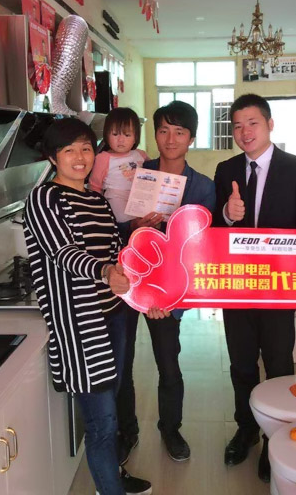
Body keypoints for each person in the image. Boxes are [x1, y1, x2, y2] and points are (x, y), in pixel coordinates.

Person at [23, 118, 152, 495]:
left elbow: (117, 254)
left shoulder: (97, 201)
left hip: (114, 316)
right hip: (80, 324)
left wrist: (149, 294)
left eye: (85, 148)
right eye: (68, 150)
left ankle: (112, 475)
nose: (79, 157)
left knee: (111, 405)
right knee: (102, 423)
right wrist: (105, 271)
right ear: (53, 157)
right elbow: (63, 252)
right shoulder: (44, 198)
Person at [213, 94, 296, 483]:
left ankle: (274, 436)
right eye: (237, 125)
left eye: (253, 123)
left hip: (278, 286)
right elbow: (214, 229)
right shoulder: (226, 169)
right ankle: (246, 429)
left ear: (270, 124)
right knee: (241, 363)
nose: (245, 132)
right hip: (237, 286)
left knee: (278, 364)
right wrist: (228, 214)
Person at [116, 101, 216, 465]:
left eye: (179, 132)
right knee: (121, 364)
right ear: (154, 135)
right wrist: (133, 225)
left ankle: (171, 428)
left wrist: (173, 299)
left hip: (166, 293)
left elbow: (200, 250)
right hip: (127, 283)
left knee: (169, 365)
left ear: (191, 138)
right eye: (163, 131)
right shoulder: (133, 175)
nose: (170, 139)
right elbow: (111, 227)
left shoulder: (203, 187)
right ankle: (127, 431)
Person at [89, 107, 148, 239]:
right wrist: (98, 209)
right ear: (106, 135)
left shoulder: (140, 155)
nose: (121, 140)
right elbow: (95, 186)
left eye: (127, 135)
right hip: (117, 199)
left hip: (139, 199)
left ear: (135, 137)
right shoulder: (103, 158)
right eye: (115, 134)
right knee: (124, 223)